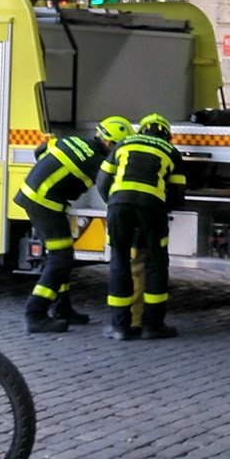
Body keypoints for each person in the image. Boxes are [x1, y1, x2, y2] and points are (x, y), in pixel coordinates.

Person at [16, 116, 131, 335]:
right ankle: (35, 313)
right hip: (45, 204)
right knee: (61, 259)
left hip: (34, 196)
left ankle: (62, 308)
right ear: (110, 143)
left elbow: (41, 149)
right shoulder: (97, 161)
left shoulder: (73, 140)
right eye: (118, 148)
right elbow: (110, 183)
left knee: (58, 258)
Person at [96, 111, 187, 341]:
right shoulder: (171, 152)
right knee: (156, 263)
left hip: (119, 206)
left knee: (119, 260)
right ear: (168, 136)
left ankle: (119, 327)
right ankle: (153, 326)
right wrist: (159, 210)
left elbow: (102, 180)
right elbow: (177, 194)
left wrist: (115, 202)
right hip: (151, 207)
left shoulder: (124, 143)